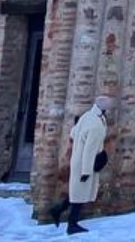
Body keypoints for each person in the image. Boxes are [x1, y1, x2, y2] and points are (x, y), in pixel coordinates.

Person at [47, 94, 113, 234]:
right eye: (108, 105)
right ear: (102, 107)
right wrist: (86, 171)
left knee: (77, 192)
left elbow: (73, 133)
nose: (110, 107)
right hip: (85, 162)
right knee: (80, 195)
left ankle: (58, 210)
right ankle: (72, 224)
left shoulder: (87, 116)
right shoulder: (96, 124)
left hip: (78, 159)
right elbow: (89, 150)